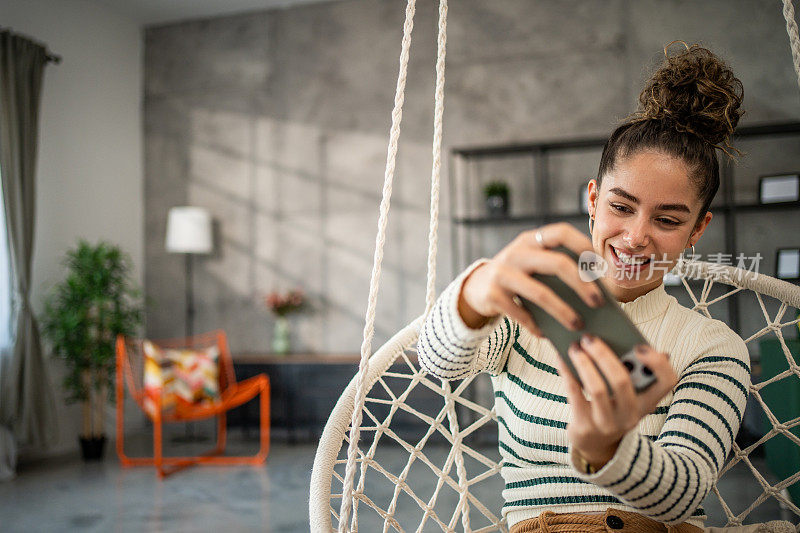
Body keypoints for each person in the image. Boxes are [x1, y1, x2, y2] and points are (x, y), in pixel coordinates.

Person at [417, 43, 750, 533]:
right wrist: (477, 292)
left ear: (697, 229)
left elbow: (683, 492)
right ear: (593, 201)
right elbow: (438, 362)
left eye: (667, 219)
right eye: (621, 206)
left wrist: (607, 450)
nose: (636, 237)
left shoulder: (712, 346)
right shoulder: (531, 309)